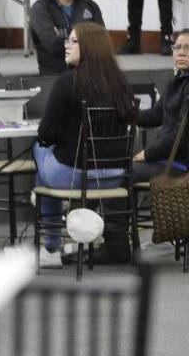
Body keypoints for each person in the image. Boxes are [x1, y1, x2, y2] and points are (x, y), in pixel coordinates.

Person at [33, 22, 136, 268]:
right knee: (50, 156)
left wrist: (54, 140)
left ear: (90, 46)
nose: (66, 46)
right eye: (67, 40)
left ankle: (51, 245)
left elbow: (44, 133)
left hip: (74, 175)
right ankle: (77, 229)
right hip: (114, 176)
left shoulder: (67, 81)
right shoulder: (120, 83)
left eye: (73, 41)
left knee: (39, 149)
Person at [133, 29, 189, 179]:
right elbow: (156, 115)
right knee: (124, 169)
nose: (181, 53)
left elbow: (181, 136)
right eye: (177, 47)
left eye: (188, 48)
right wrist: (126, 113)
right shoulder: (180, 79)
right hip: (176, 159)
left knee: (124, 173)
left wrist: (148, 153)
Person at [30, 0, 104, 75]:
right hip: (54, 77)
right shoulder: (40, 9)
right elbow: (54, 45)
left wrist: (68, 42)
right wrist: (86, 42)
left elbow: (101, 43)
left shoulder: (91, 6)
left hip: (88, 75)